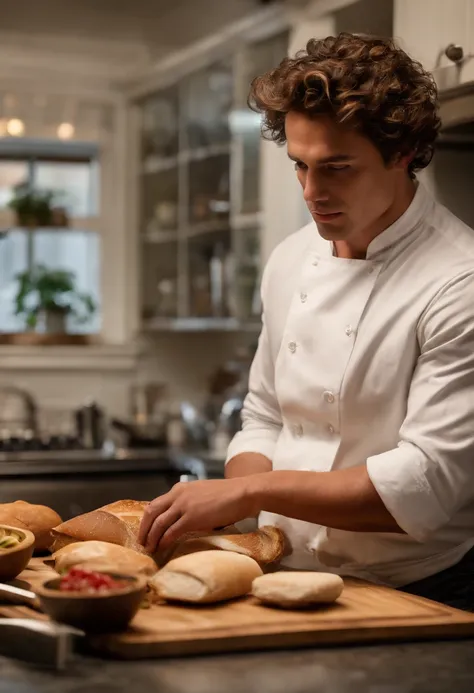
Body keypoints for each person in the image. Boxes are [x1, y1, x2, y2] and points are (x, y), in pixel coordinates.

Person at [139, 33, 474, 610]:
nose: (312, 192)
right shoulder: (293, 257)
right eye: (300, 165)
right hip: (279, 569)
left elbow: (421, 484)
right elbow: (265, 414)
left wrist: (247, 490)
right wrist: (241, 508)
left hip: (417, 589)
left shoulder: (458, 280)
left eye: (337, 168)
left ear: (402, 153)